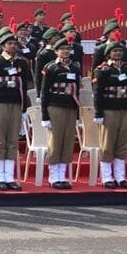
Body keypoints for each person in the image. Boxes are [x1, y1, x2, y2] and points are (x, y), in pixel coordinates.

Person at [0, 28, 33, 191]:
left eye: (14, 44)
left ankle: (9, 176)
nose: (12, 46)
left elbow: (24, 86)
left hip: (16, 104)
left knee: (12, 140)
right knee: (0, 139)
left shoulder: (22, 63)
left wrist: (25, 108)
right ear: (3, 46)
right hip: (0, 103)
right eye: (9, 43)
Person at [92, 41, 127, 189]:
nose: (118, 53)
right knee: (108, 144)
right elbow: (97, 93)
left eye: (120, 51)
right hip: (109, 109)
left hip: (125, 109)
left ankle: (120, 177)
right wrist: (98, 112)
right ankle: (106, 177)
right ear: (108, 54)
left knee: (123, 143)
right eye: (114, 51)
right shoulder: (103, 70)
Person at [39, 40, 82, 189]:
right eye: (62, 49)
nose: (65, 51)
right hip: (55, 106)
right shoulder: (51, 67)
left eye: (67, 48)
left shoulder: (75, 67)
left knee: (68, 141)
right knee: (55, 141)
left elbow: (77, 90)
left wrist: (77, 113)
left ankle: (62, 175)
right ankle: (53, 176)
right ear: (56, 51)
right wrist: (44, 115)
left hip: (70, 106)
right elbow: (44, 92)